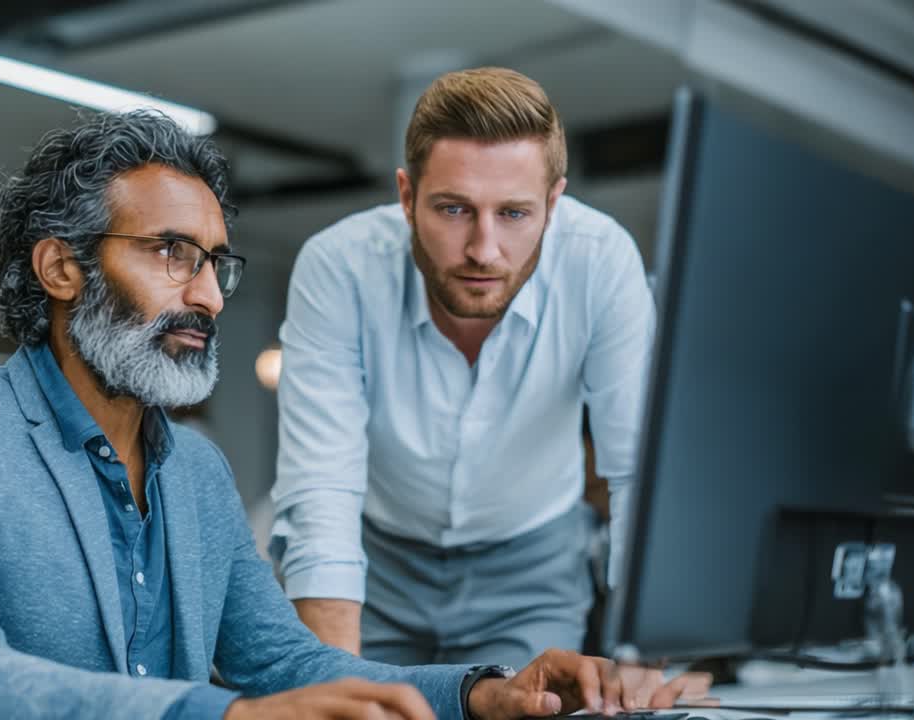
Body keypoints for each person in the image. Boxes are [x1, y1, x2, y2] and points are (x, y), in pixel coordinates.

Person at [0, 109, 698, 720]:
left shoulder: (193, 469)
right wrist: (228, 716)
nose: (209, 296)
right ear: (61, 268)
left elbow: (287, 664)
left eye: (215, 262)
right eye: (172, 253)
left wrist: (484, 693)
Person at [272, 67, 656, 666]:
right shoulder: (339, 266)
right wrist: (334, 687)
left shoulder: (602, 261)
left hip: (532, 570)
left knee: (525, 706)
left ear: (553, 204)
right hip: (376, 566)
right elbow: (321, 483)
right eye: (454, 210)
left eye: (514, 214)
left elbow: (635, 470)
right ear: (407, 197)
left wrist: (643, 656)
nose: (483, 250)